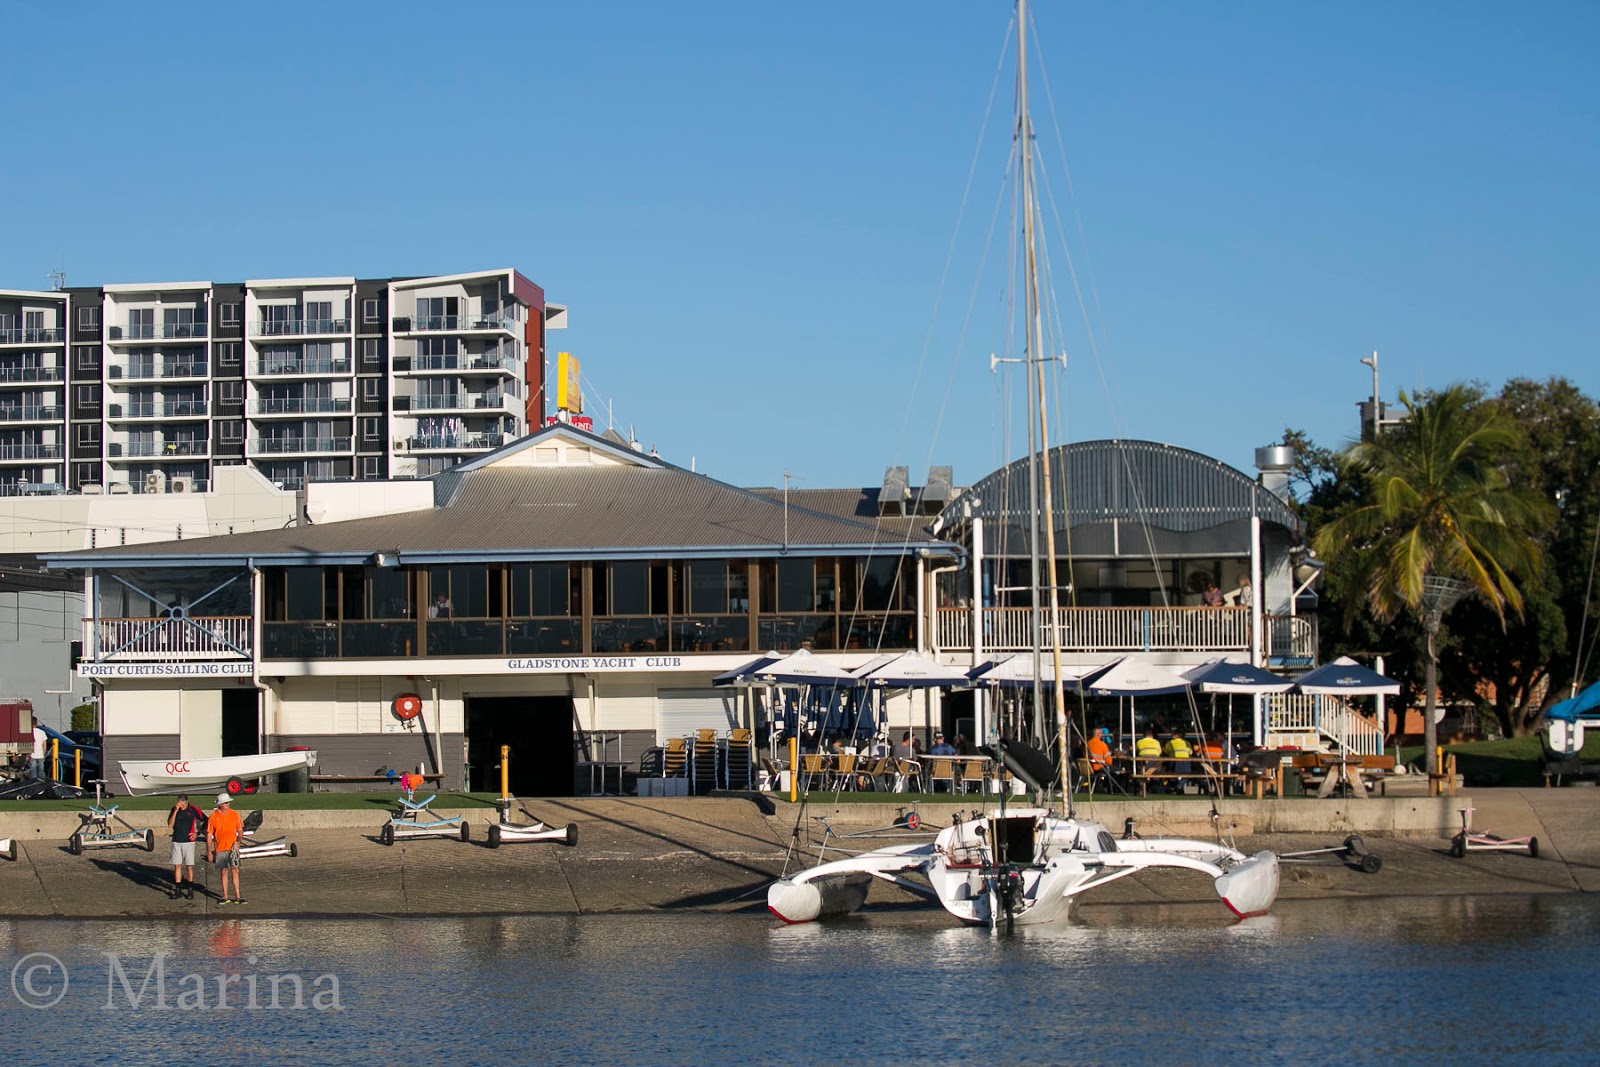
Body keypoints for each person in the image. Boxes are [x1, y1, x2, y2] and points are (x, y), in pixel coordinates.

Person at [207, 792, 245, 906]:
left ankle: (237, 896)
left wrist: (238, 842)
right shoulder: (213, 816)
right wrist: (209, 851)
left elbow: (240, 830)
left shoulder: (234, 814)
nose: (228, 804)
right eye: (226, 802)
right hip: (220, 848)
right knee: (224, 872)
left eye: (228, 802)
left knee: (235, 870)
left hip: (233, 848)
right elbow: (209, 834)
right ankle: (225, 896)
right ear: (220, 804)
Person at [166, 794, 204, 900]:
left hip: (188, 842)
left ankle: (190, 889)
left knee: (189, 866)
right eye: (179, 802)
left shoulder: (193, 809)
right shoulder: (174, 809)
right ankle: (178, 889)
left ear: (186, 802)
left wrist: (197, 833)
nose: (180, 804)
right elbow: (170, 824)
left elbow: (204, 820)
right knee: (177, 865)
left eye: (182, 802)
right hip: (177, 840)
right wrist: (175, 811)